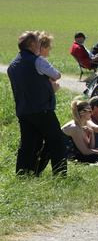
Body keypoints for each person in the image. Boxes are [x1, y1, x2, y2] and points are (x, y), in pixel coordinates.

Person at [8, 31, 68, 176]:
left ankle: (23, 174)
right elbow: (56, 75)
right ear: (32, 44)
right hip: (42, 109)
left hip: (23, 111)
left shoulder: (12, 65)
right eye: (38, 42)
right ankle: (60, 175)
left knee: (28, 144)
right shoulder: (37, 61)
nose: (39, 45)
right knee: (57, 140)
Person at [61, 99, 98, 164]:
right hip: (69, 157)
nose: (92, 113)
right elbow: (85, 151)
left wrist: (91, 134)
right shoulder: (74, 128)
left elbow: (90, 147)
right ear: (82, 113)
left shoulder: (84, 124)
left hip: (78, 152)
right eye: (89, 111)